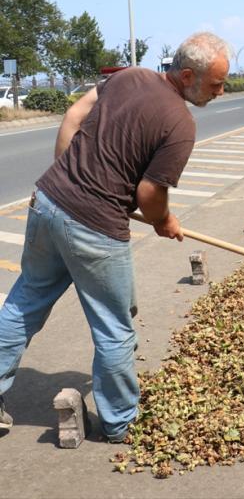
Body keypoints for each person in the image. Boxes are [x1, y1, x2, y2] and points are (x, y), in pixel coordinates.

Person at [0, 31, 231, 442]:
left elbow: (73, 116)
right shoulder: (180, 123)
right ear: (188, 75)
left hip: (48, 201)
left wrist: (71, 182)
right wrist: (164, 221)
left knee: (25, 301)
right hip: (94, 229)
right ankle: (120, 422)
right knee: (115, 328)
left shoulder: (129, 76)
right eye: (215, 84)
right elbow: (149, 194)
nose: (221, 90)